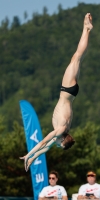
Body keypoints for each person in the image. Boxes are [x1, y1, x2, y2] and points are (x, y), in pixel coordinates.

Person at [20, 13, 93, 172]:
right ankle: (86, 28)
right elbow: (42, 143)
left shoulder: (64, 130)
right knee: (76, 57)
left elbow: (46, 148)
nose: (57, 146)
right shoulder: (60, 130)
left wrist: (32, 158)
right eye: (60, 146)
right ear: (63, 141)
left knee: (78, 58)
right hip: (67, 91)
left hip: (72, 93)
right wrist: (28, 154)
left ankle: (86, 30)